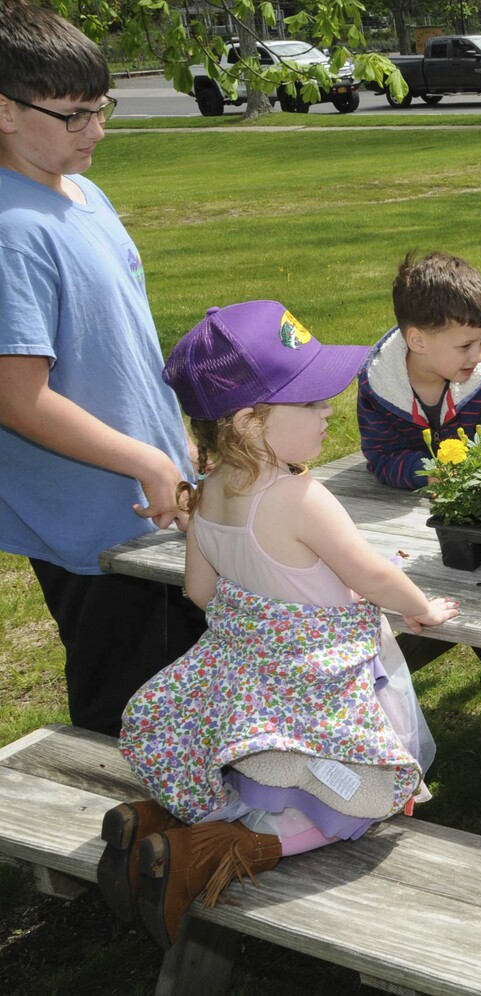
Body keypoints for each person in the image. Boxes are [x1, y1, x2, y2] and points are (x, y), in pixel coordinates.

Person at [103, 300, 460, 948]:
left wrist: (261, 617)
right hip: (324, 686)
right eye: (310, 403)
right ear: (248, 420)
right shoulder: (300, 496)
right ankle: (210, 853)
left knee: (271, 773)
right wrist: (423, 609)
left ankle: (154, 822)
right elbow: (373, 575)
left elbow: (199, 589)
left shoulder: (206, 490)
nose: (328, 412)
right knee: (360, 803)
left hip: (257, 681)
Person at [0, 3, 206, 737]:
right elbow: (19, 400)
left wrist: (174, 439)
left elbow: (123, 344)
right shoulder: (9, 232)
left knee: (182, 679)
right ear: (5, 110)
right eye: (75, 114)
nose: (98, 131)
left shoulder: (86, 195)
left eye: (102, 109)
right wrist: (146, 460)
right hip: (94, 524)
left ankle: (184, 830)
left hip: (150, 490)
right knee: (122, 708)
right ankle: (99, 847)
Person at [358, 250, 481, 489]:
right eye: (465, 346)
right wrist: (428, 472)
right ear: (418, 341)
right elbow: (383, 457)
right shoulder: (379, 387)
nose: (479, 356)